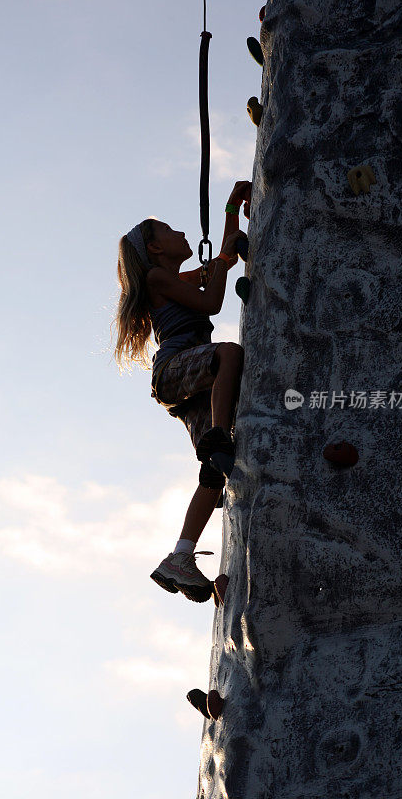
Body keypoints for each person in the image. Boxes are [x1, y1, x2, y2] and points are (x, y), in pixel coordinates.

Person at [113, 180, 251, 603]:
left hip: (189, 381)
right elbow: (212, 302)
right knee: (229, 352)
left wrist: (232, 206)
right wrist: (223, 268)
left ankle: (181, 556)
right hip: (177, 368)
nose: (182, 234)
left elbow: (224, 257)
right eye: (170, 231)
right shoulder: (159, 278)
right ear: (155, 249)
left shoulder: (174, 278)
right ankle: (219, 435)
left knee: (214, 473)